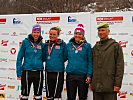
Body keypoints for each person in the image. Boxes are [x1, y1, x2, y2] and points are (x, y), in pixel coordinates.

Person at [91, 22, 124, 100]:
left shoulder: (115, 46)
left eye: (103, 30)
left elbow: (120, 66)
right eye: (99, 30)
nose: (101, 32)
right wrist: (92, 82)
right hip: (97, 87)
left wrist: (117, 84)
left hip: (110, 86)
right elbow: (92, 65)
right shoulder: (95, 47)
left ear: (108, 31)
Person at [16, 24, 45, 100]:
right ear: (32, 32)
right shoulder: (25, 42)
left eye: (38, 32)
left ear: (40, 33)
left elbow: (44, 57)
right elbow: (19, 58)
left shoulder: (42, 44)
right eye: (34, 32)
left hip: (38, 72)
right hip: (27, 71)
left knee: (38, 95)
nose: (36, 34)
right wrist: (19, 72)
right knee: (24, 94)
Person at [66, 24, 93, 100]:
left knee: (83, 97)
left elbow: (90, 61)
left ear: (83, 35)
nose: (77, 35)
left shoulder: (87, 46)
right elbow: (63, 57)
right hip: (71, 74)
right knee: (70, 97)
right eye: (76, 33)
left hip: (83, 75)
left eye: (80, 34)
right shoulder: (68, 45)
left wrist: (89, 75)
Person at [44, 26, 67, 100]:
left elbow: (65, 56)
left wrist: (58, 61)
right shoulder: (46, 44)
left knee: (57, 94)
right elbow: (44, 56)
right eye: (50, 34)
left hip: (58, 72)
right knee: (49, 94)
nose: (52, 36)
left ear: (58, 35)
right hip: (48, 71)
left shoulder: (62, 44)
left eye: (54, 34)